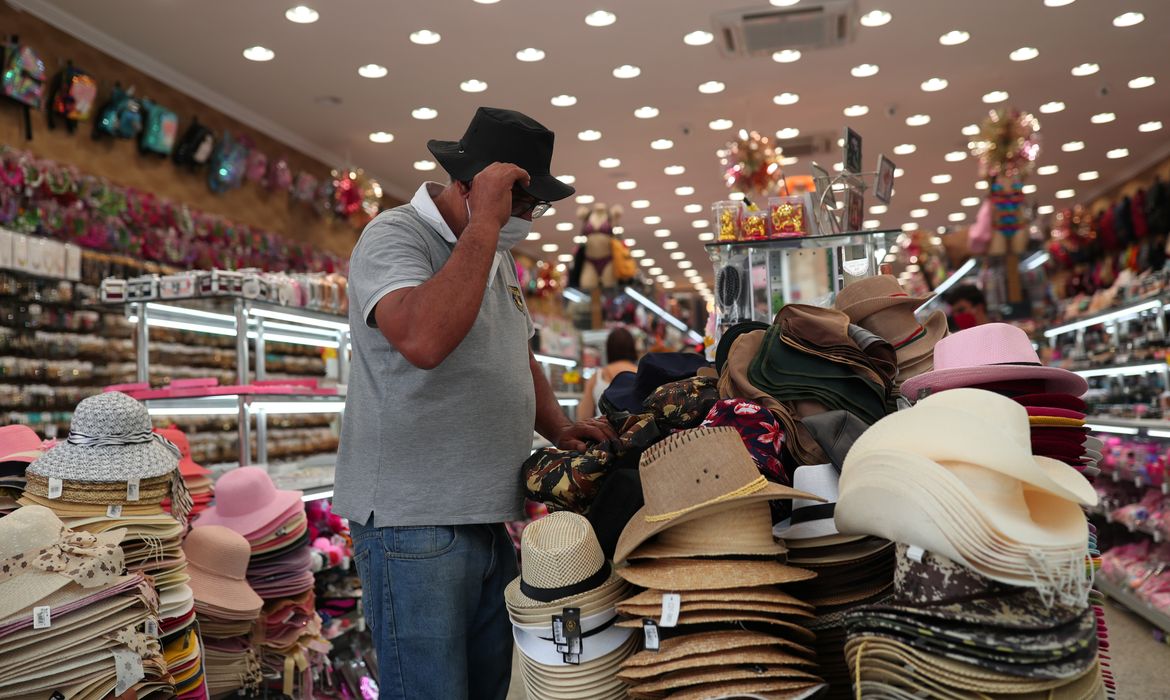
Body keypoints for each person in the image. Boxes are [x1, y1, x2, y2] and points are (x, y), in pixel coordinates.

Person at [334, 107, 616, 700]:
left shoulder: (491, 253)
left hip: (486, 516)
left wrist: (560, 429)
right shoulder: (394, 235)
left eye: (530, 208)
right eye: (518, 205)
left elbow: (519, 353)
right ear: (468, 188)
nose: (525, 221)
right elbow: (423, 339)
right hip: (415, 524)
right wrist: (485, 227)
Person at [577, 327, 639, 420]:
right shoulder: (641, 373)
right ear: (632, 348)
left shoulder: (597, 376)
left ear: (609, 349)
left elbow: (584, 416)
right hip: (635, 432)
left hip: (602, 432)